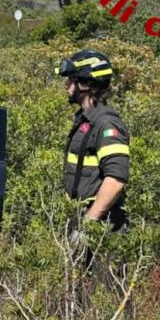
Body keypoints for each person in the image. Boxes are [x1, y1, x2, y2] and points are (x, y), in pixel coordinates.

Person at [56, 49, 131, 238]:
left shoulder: (106, 124)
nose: (66, 85)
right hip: (81, 220)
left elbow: (115, 180)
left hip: (102, 229)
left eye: (70, 80)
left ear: (85, 84)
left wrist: (88, 225)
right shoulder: (85, 120)